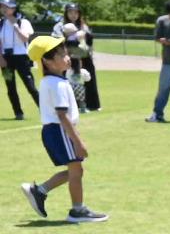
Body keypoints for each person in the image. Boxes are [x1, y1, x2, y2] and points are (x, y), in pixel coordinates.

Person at [18, 34, 105, 223]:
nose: (67, 57)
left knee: (76, 171)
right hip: (60, 130)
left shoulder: (55, 81)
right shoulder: (56, 84)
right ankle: (77, 210)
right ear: (47, 62)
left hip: (58, 131)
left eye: (65, 52)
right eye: (61, 54)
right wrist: (78, 141)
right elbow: (62, 115)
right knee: (76, 170)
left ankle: (39, 191)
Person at [0, 0, 35, 118]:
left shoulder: (23, 22)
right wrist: (1, 58)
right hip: (5, 59)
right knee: (10, 87)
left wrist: (16, 26)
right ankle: (18, 113)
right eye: (2, 6)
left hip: (21, 58)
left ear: (14, 8)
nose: (4, 9)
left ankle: (44, 109)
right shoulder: (0, 23)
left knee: (30, 85)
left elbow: (25, 38)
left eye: (7, 7)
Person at [63, 3, 99, 112]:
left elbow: (89, 41)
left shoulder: (83, 26)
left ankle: (92, 104)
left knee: (89, 79)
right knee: (70, 81)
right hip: (69, 57)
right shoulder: (62, 26)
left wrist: (84, 35)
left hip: (84, 57)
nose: (73, 15)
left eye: (76, 12)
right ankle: (73, 105)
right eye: (70, 12)